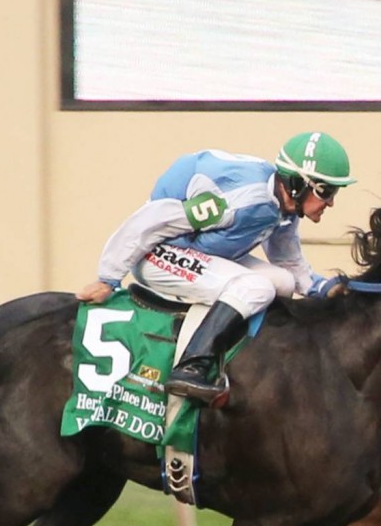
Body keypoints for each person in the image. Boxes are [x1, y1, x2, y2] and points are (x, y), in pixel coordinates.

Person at [75, 132, 356, 405]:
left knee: (281, 281)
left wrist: (321, 288)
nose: (330, 201)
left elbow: (288, 263)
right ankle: (190, 367)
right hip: (157, 251)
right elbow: (151, 221)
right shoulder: (239, 201)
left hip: (197, 252)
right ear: (297, 184)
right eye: (325, 191)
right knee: (255, 287)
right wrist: (109, 277)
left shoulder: (284, 209)